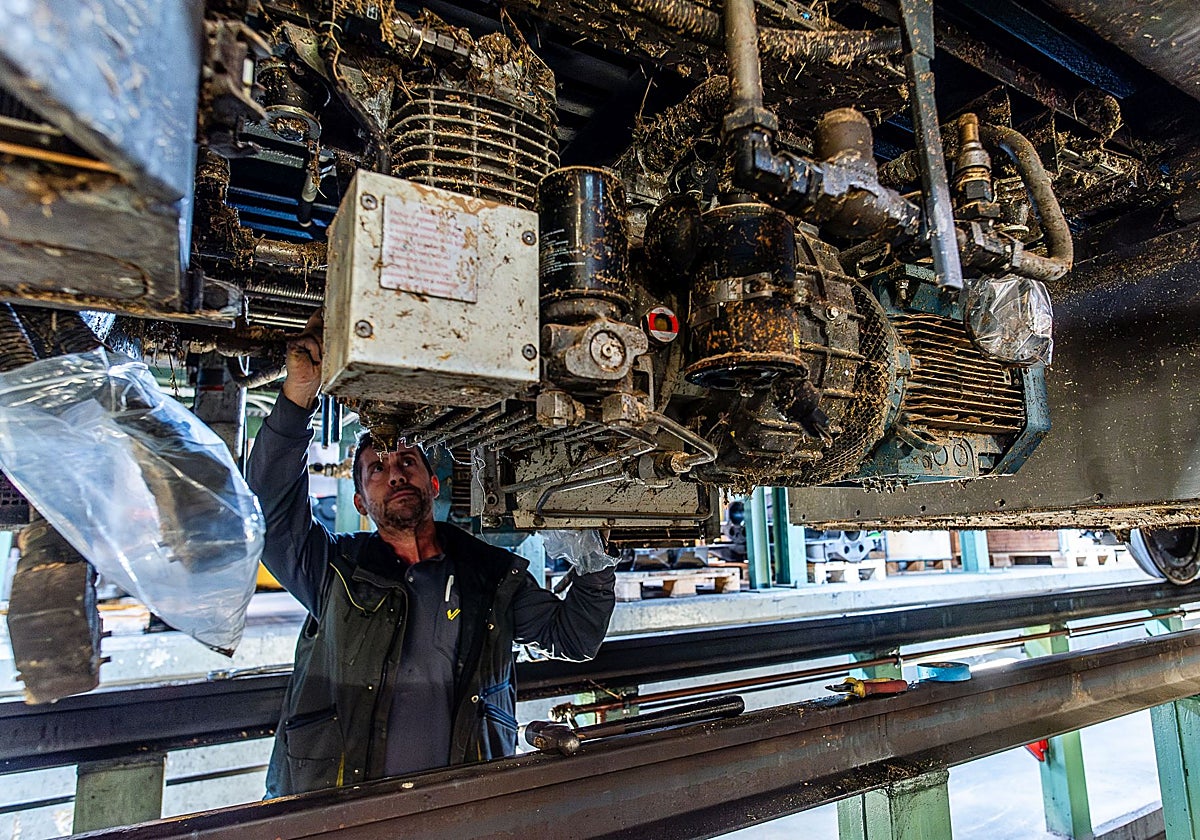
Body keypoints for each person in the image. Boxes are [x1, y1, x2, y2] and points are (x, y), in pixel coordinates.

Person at [246, 313, 617, 798]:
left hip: (464, 808)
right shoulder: (335, 572)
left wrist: (593, 556)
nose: (395, 473)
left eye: (406, 462)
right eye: (376, 469)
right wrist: (298, 400)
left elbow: (574, 636)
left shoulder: (490, 576)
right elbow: (270, 513)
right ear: (360, 502)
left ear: (432, 482)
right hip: (339, 808)